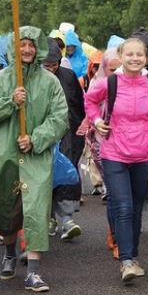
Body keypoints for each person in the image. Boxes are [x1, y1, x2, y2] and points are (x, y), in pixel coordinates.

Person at [0, 26, 68, 293]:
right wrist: (10, 101)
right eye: (22, 45)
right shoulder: (0, 80)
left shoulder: (50, 82)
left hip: (36, 157)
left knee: (37, 208)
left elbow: (59, 118)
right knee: (9, 212)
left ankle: (34, 272)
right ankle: (10, 253)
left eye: (31, 44)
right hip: (6, 156)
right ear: (14, 48)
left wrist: (35, 139)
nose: (27, 49)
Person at [83, 38, 148, 283]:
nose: (135, 59)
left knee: (137, 209)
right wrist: (97, 122)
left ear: (146, 58)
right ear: (121, 55)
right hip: (114, 153)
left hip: (144, 154)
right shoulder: (111, 83)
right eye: (130, 54)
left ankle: (132, 256)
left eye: (140, 54)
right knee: (124, 207)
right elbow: (89, 100)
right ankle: (126, 261)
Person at [41, 37, 86, 240]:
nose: (50, 69)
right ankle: (49, 216)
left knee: (66, 173)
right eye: (46, 65)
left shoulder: (68, 76)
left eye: (54, 65)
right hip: (43, 135)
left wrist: (81, 129)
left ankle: (67, 219)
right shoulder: (33, 78)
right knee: (45, 176)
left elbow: (78, 105)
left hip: (67, 132)